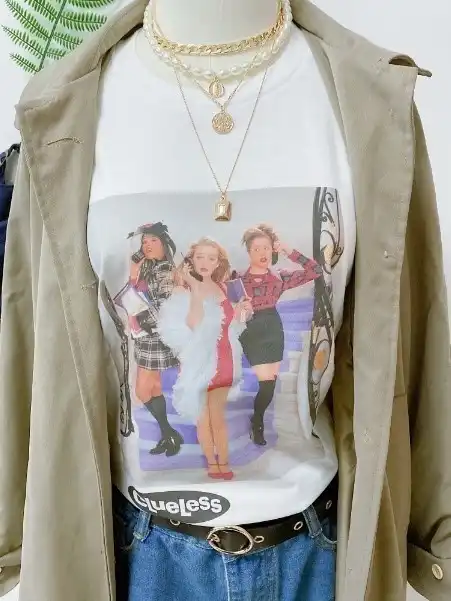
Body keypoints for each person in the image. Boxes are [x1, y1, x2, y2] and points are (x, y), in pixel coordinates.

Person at [1, 1, 450, 601]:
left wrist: (435, 533)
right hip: (139, 557)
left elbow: (418, 331)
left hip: (318, 553)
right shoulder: (64, 108)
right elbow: (27, 331)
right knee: (185, 404)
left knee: (230, 401)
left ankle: (244, 433)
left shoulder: (370, 97)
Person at [157, 238, 251, 479]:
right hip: (198, 362)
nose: (205, 262)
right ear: (191, 260)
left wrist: (242, 313)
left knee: (217, 415)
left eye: (211, 258)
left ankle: (224, 464)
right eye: (200, 257)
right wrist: (194, 287)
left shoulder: (223, 288)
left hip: (225, 358)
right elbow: (193, 324)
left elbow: (231, 327)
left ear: (218, 262)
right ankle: (212, 463)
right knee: (203, 416)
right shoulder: (183, 291)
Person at [239, 224, 322, 445]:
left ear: (272, 249)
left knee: (269, 384)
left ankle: (257, 419)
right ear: (249, 252)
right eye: (256, 249)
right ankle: (257, 422)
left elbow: (315, 270)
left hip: (273, 328)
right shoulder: (238, 279)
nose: (262, 253)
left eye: (266, 248)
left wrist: (287, 250)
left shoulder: (279, 278)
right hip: (251, 329)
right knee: (264, 380)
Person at [124, 222, 184, 456]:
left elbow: (164, 306)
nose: (147, 245)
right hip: (145, 335)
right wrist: (134, 272)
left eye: (153, 240)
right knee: (154, 387)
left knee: (142, 391)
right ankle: (168, 436)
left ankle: (169, 432)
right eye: (144, 241)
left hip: (154, 335)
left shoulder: (165, 270)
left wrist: (139, 319)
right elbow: (133, 294)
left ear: (164, 244)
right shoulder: (148, 267)